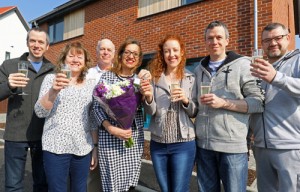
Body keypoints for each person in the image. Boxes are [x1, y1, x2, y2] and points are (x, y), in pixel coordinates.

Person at [194, 21, 264, 192]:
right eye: (210, 38)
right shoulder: (198, 70)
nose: (214, 42)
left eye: (219, 37)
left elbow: (258, 102)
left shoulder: (242, 65)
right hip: (204, 146)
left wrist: (223, 103)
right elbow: (195, 106)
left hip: (232, 148)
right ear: (205, 41)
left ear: (227, 40)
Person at [34, 42, 98, 191]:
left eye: (79, 56)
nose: (75, 60)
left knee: (80, 189)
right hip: (56, 146)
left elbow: (92, 119)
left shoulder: (91, 84)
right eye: (71, 56)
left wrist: (95, 147)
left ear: (85, 61)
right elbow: (39, 112)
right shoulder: (51, 79)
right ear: (64, 59)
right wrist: (53, 92)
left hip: (83, 147)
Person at [0, 27, 54, 192]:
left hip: (43, 135)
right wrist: (9, 85)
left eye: (41, 42)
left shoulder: (53, 69)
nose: (36, 45)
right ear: (27, 43)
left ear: (47, 46)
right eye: (33, 41)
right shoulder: (10, 65)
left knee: (42, 183)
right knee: (13, 185)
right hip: (16, 133)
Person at [141, 34, 197, 191]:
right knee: (165, 189)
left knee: (179, 189)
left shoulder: (191, 78)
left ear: (182, 52)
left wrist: (186, 100)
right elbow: (150, 112)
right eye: (167, 51)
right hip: (159, 143)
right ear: (162, 54)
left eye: (175, 50)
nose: (171, 54)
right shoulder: (154, 79)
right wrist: (149, 97)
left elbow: (194, 111)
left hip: (183, 143)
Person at [92, 38, 150, 192]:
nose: (131, 56)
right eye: (128, 52)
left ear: (139, 59)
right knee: (112, 185)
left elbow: (146, 108)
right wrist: (111, 128)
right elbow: (96, 107)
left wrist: (146, 96)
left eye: (135, 54)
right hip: (110, 138)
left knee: (130, 185)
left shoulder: (139, 80)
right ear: (120, 55)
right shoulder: (108, 77)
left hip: (132, 137)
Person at [249, 22, 300, 192]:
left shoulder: (298, 59)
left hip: (290, 146)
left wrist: (276, 77)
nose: (272, 43)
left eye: (277, 38)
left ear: (288, 38)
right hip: (261, 146)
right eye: (266, 40)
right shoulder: (260, 67)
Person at [86, 38, 115, 192]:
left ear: (114, 54)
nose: (105, 52)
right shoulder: (87, 74)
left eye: (109, 50)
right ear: (97, 52)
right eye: (102, 49)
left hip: (114, 134)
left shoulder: (120, 74)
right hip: (92, 132)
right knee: (93, 177)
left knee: (113, 179)